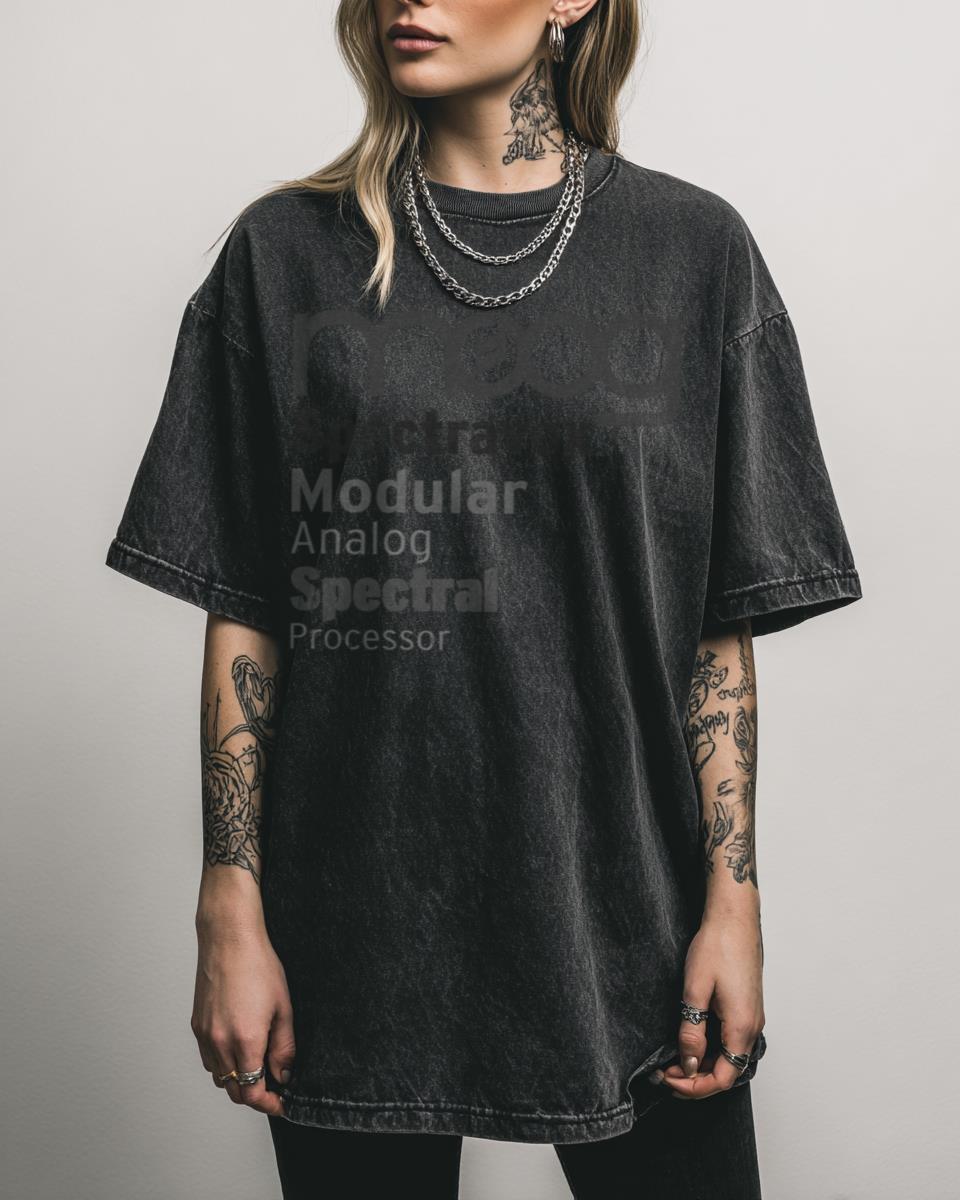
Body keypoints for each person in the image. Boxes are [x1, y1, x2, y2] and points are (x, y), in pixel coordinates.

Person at [104, 1, 863, 1196]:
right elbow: (246, 605)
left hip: (629, 916)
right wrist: (229, 904)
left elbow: (715, 630)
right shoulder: (284, 256)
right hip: (351, 924)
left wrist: (735, 901)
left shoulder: (693, 254)